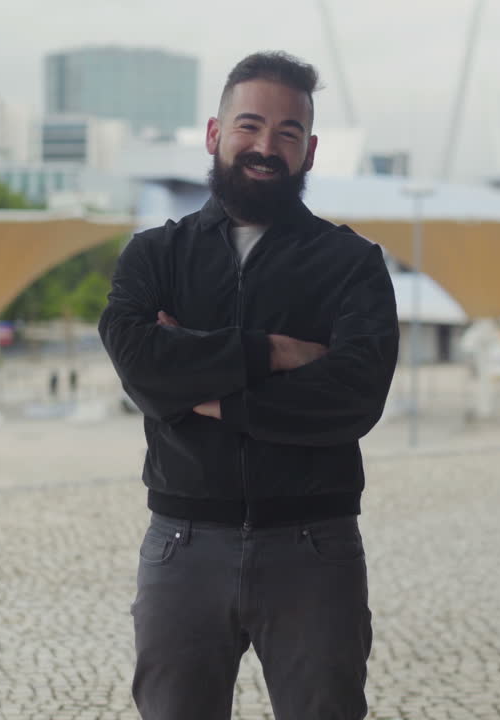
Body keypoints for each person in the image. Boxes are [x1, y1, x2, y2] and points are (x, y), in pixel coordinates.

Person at [98, 51, 399, 720]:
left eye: (288, 133)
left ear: (310, 149)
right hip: (181, 546)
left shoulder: (350, 264)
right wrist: (275, 351)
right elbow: (139, 361)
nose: (267, 147)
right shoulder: (155, 254)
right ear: (214, 134)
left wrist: (206, 392)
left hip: (314, 549)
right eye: (250, 125)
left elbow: (354, 396)